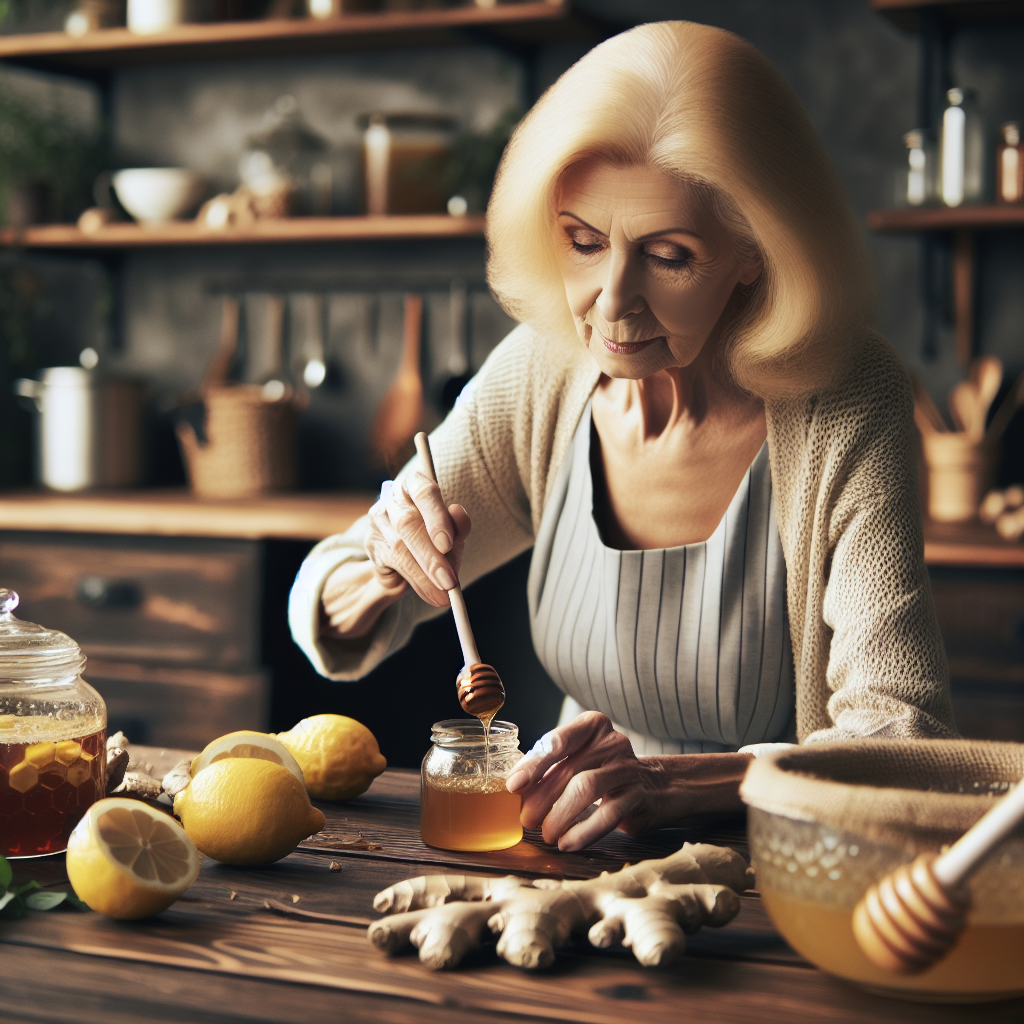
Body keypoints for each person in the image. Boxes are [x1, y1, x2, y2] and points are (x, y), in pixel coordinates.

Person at [289, 21, 957, 852]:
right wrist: (385, 571)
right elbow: (324, 591)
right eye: (583, 242)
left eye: (669, 256)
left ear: (754, 252)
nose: (611, 303)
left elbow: (901, 738)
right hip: (574, 850)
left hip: (789, 872)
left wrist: (671, 786)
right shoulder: (545, 372)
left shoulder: (848, 400)